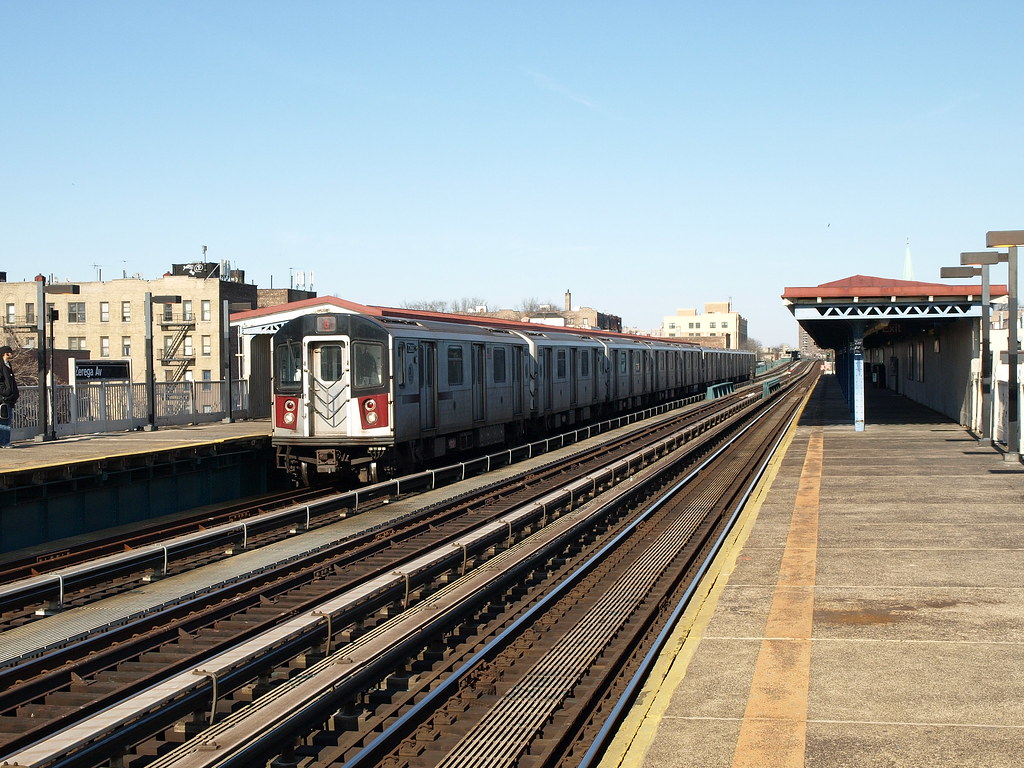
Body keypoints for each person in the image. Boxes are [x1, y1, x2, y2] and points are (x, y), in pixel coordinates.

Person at [0, 345, 19, 449]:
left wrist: (15, 393)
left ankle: (5, 441)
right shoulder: (1, 365)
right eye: (10, 352)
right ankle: (4, 442)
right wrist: (5, 392)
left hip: (10, 399)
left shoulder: (8, 365)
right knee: (4, 421)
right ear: (5, 354)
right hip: (3, 399)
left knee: (7, 421)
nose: (12, 354)